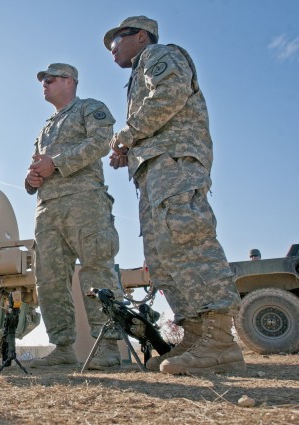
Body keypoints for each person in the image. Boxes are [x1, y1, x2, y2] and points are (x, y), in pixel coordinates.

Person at [104, 16, 245, 374]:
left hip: (174, 163)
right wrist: (129, 150)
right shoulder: (137, 74)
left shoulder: (158, 54)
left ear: (139, 36)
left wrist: (126, 135)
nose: (112, 49)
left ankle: (220, 339)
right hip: (153, 170)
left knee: (188, 239)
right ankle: (197, 337)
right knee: (164, 256)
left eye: (117, 40)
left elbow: (169, 94)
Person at [25, 63, 122, 369]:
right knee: (49, 278)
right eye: (43, 81)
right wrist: (32, 179)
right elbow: (38, 165)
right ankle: (63, 346)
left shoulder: (89, 108)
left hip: (84, 202)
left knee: (97, 269)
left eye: (50, 79)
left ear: (69, 81)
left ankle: (107, 346)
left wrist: (57, 162)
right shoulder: (45, 127)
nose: (44, 84)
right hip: (48, 208)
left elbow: (100, 143)